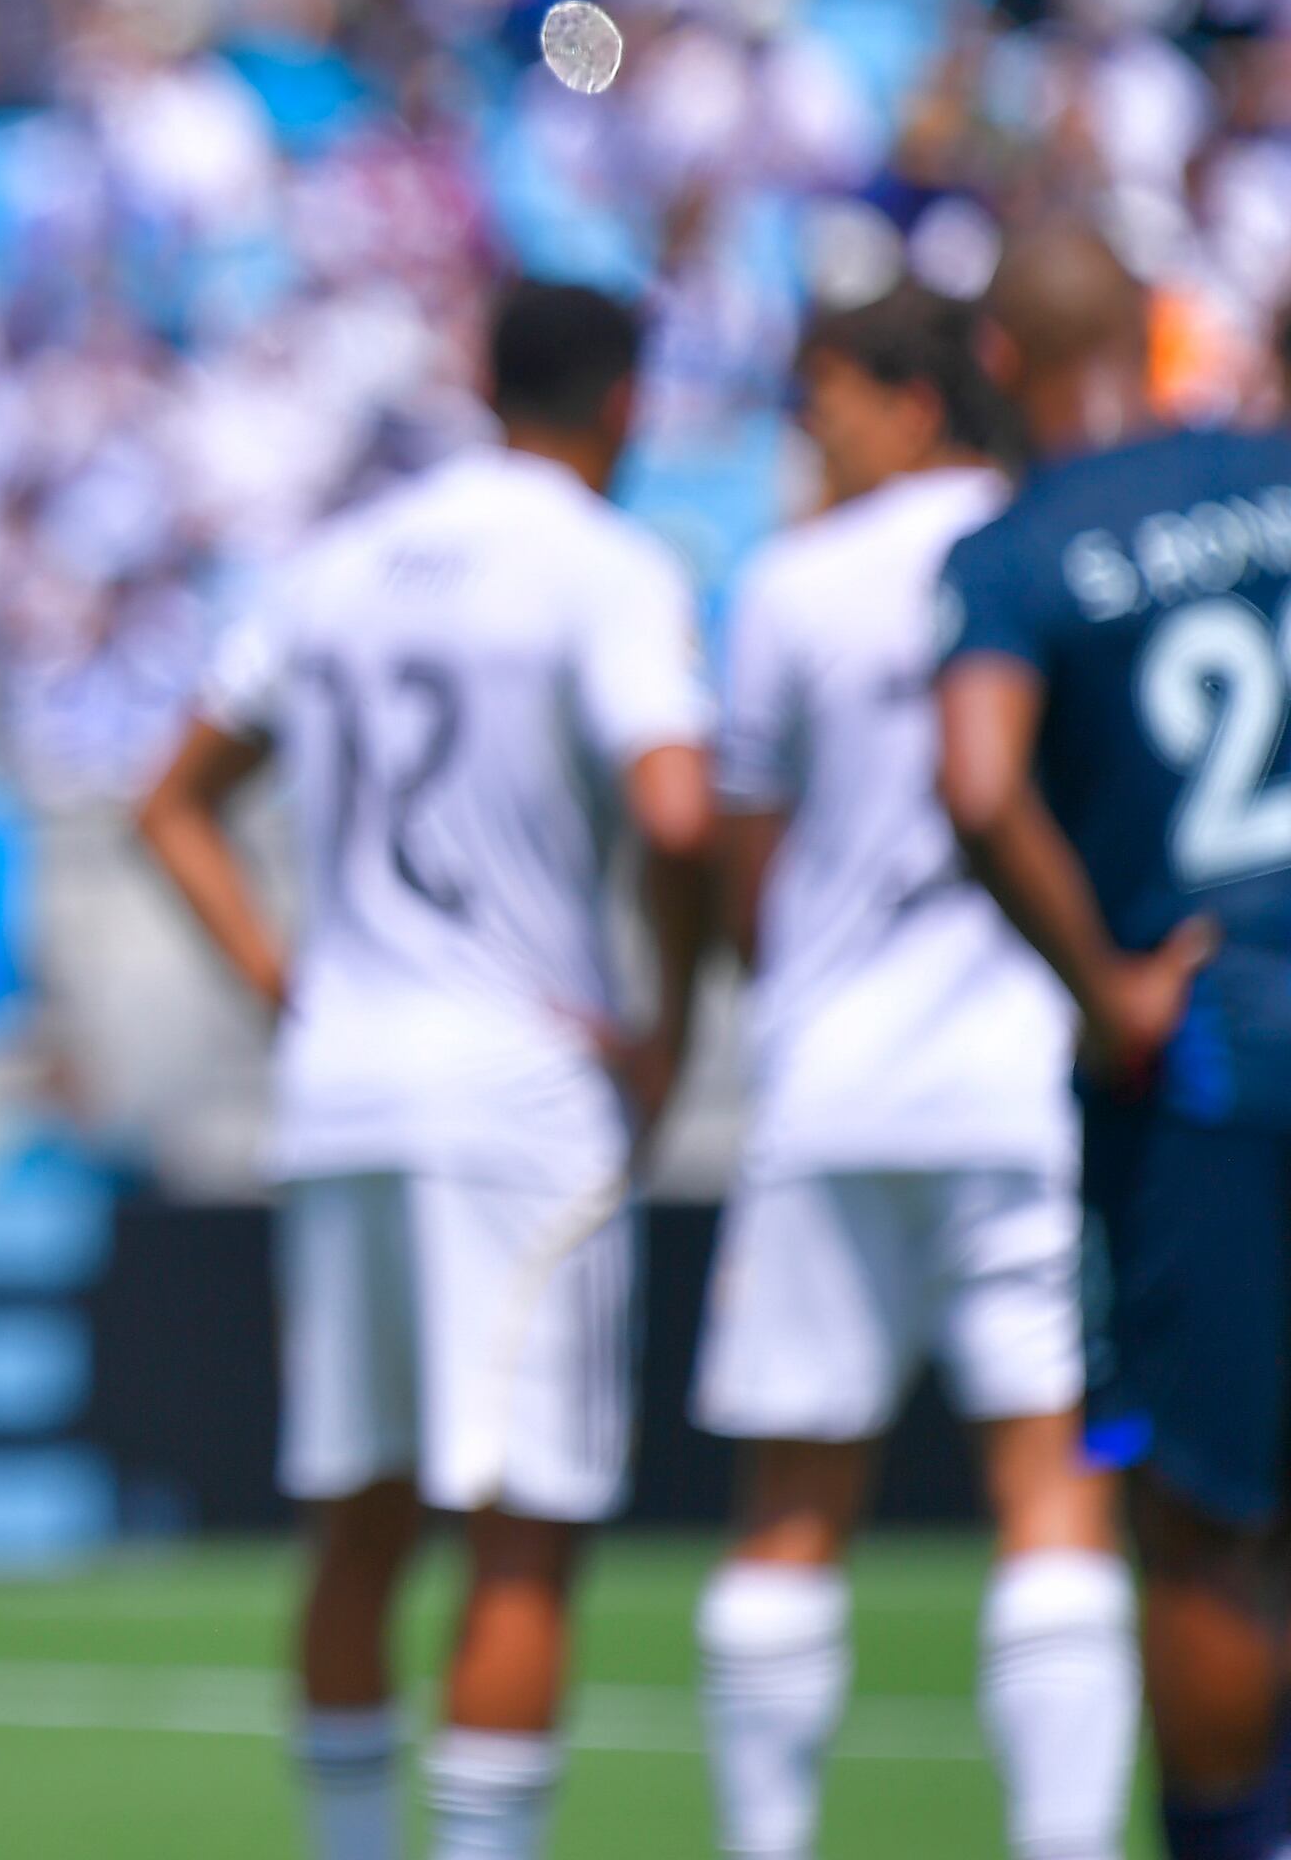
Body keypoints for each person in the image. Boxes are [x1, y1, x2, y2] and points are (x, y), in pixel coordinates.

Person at [136, 280, 715, 1860]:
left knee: (357, 1526)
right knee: (521, 1543)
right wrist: (668, 1015)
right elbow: (676, 812)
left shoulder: (332, 566)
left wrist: (285, 985)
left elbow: (171, 802)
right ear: (623, 405)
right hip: (514, 1091)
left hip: (344, 1089)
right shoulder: (605, 565)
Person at [695, 287, 1136, 1860]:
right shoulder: (1053, 547)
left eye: (826, 400)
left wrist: (788, 994)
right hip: (1023, 1081)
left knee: (792, 1511)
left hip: (832, 1088)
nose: (807, 434)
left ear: (913, 400)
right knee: (1054, 1490)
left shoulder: (791, 585)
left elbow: (749, 868)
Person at [933, 221, 1291, 1860]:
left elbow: (980, 781)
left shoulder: (1018, 549)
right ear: (1153, 332)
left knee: (1212, 1521)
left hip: (1215, 1054)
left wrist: (1104, 983)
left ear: (998, 365)